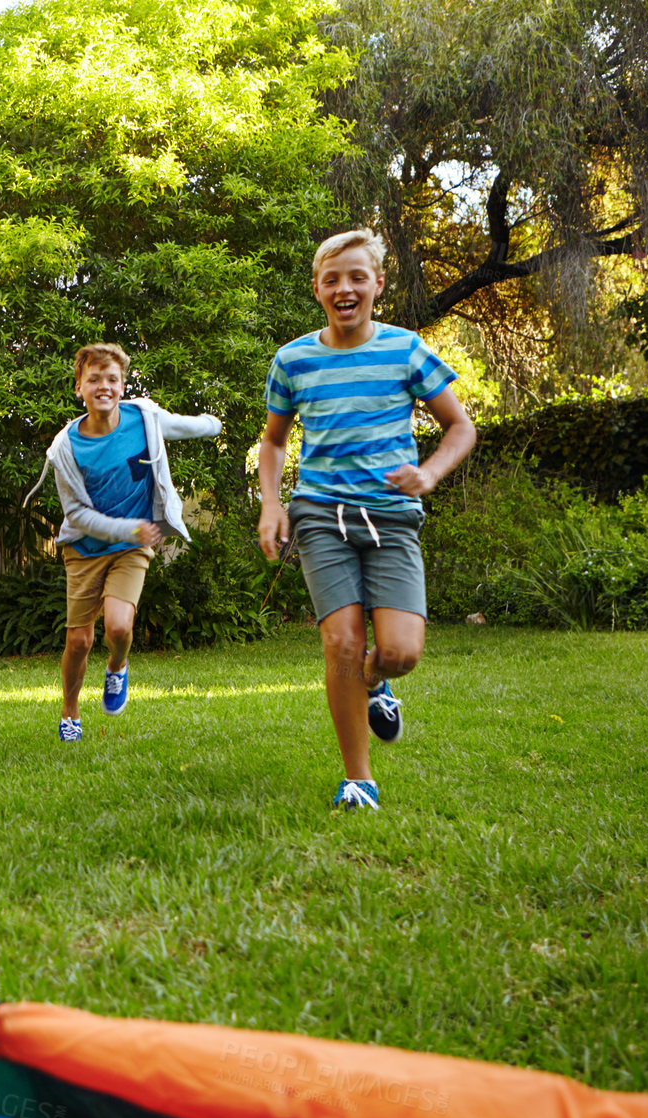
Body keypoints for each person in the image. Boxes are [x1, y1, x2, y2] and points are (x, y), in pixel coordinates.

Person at [257, 230, 476, 810]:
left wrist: (428, 474)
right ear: (317, 290)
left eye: (357, 276)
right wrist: (273, 504)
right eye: (332, 279)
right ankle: (360, 779)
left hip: (391, 518)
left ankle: (378, 681)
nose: (344, 288)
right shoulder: (294, 359)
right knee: (342, 644)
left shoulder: (406, 350)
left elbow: (461, 427)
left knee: (401, 652)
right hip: (320, 513)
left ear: (378, 283)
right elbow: (274, 443)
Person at [24, 343, 222, 742]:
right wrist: (125, 529)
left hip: (132, 547)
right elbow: (76, 515)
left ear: (122, 385)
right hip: (84, 548)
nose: (104, 386)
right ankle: (70, 711)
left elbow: (183, 426)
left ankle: (117, 666)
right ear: (79, 387)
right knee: (78, 641)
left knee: (118, 625)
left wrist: (214, 424)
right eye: (94, 379)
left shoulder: (142, 419)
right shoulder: (65, 447)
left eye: (112, 379)